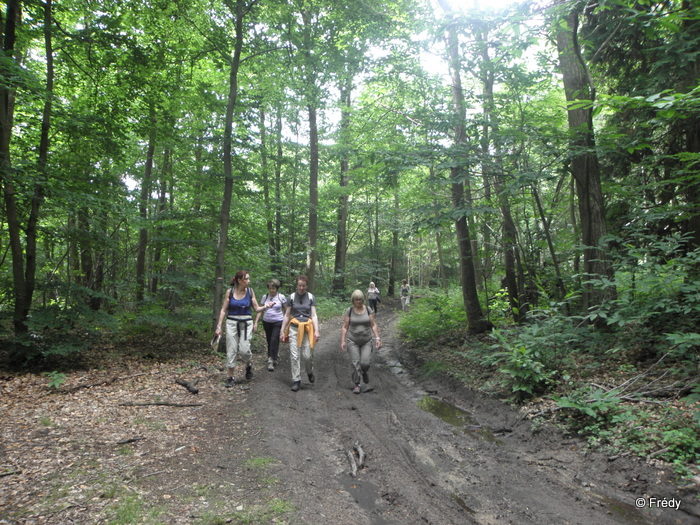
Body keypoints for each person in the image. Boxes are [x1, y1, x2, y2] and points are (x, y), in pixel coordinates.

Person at [215, 271, 272, 387]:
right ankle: (230, 377)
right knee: (231, 349)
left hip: (246, 323)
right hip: (231, 322)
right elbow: (223, 310)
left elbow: (256, 308)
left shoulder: (250, 292)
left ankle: (248, 364)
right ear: (240, 280)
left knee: (244, 350)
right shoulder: (229, 292)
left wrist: (266, 306)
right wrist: (219, 326)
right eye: (247, 279)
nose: (249, 281)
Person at [280, 275, 319, 392]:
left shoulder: (311, 297)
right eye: (299, 285)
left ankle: (309, 371)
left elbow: (314, 315)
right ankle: (296, 380)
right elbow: (287, 315)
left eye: (303, 285)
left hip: (307, 328)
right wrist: (282, 330)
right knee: (294, 355)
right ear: (297, 285)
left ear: (306, 286)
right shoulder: (291, 297)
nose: (301, 288)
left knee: (307, 355)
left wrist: (317, 330)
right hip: (294, 328)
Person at [341, 290, 381, 394]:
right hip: (352, 340)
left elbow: (373, 325)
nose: (358, 302)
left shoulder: (368, 310)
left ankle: (364, 372)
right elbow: (345, 327)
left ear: (363, 300)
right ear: (353, 300)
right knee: (356, 363)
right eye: (356, 300)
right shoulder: (349, 311)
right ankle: (357, 384)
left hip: (366, 340)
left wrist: (377, 338)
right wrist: (343, 341)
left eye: (360, 299)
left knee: (365, 363)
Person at [254, 278, 287, 372]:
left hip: (278, 321)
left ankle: (270, 360)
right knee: (269, 340)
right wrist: (256, 322)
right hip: (267, 322)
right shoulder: (265, 297)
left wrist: (285, 322)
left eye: (273, 288)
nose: (271, 290)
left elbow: (286, 310)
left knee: (274, 339)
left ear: (277, 288)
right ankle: (274, 355)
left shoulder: (281, 297)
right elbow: (260, 310)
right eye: (270, 288)